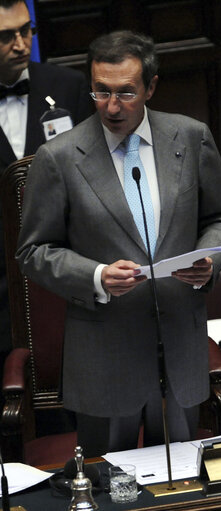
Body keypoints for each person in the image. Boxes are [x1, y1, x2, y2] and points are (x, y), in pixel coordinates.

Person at [16, 30, 221, 457]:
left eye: (125, 92)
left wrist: (210, 259)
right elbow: (33, 251)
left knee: (182, 483)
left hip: (179, 347)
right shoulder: (59, 157)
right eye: (101, 92)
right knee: (110, 489)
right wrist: (97, 276)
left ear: (151, 87)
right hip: (105, 355)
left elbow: (220, 219)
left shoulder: (191, 138)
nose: (112, 106)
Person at [0, 0, 92, 367]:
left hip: (64, 275)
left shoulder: (67, 86)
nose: (21, 44)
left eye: (26, 30)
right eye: (6, 36)